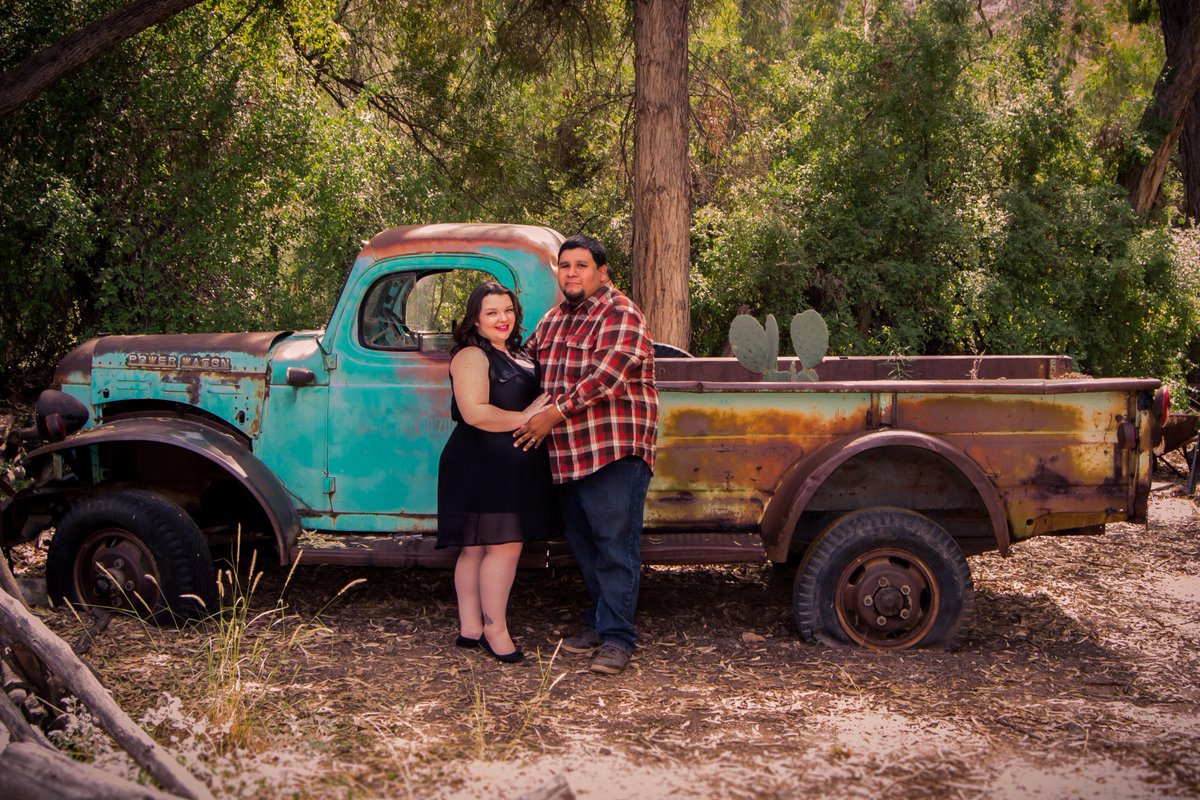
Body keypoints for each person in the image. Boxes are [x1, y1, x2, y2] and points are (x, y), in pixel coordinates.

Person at [514, 234, 659, 676]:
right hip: (568, 455)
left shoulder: (621, 313)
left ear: (602, 272)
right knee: (584, 546)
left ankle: (618, 639)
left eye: (581, 265)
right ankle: (600, 621)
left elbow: (606, 378)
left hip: (612, 451)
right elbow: (525, 360)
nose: (572, 273)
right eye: (565, 266)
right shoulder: (554, 319)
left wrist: (552, 412)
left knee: (615, 546)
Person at [437, 282, 556, 664]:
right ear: (476, 318)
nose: (502, 318)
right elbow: (474, 411)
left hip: (504, 466)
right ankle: (494, 630)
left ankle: (469, 628)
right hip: (479, 463)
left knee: (478, 547)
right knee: (501, 548)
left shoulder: (516, 352)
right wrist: (525, 417)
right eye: (491, 312)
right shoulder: (472, 355)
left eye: (507, 310)